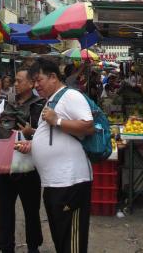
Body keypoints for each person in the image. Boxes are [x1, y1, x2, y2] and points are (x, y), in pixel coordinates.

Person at [29, 58, 94, 253]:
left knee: (71, 242)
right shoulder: (54, 98)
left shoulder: (70, 96)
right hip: (55, 183)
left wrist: (56, 120)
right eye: (34, 81)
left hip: (71, 182)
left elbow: (88, 125)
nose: (36, 85)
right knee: (61, 237)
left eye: (38, 80)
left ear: (53, 77)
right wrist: (32, 144)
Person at [0, 67, 45, 253]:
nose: (15, 84)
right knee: (5, 211)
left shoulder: (41, 105)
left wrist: (31, 133)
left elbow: (46, 135)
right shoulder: (7, 102)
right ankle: (6, 247)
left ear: (31, 83)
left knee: (31, 211)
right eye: (15, 81)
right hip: (6, 164)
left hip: (29, 167)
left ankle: (33, 246)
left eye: (19, 81)